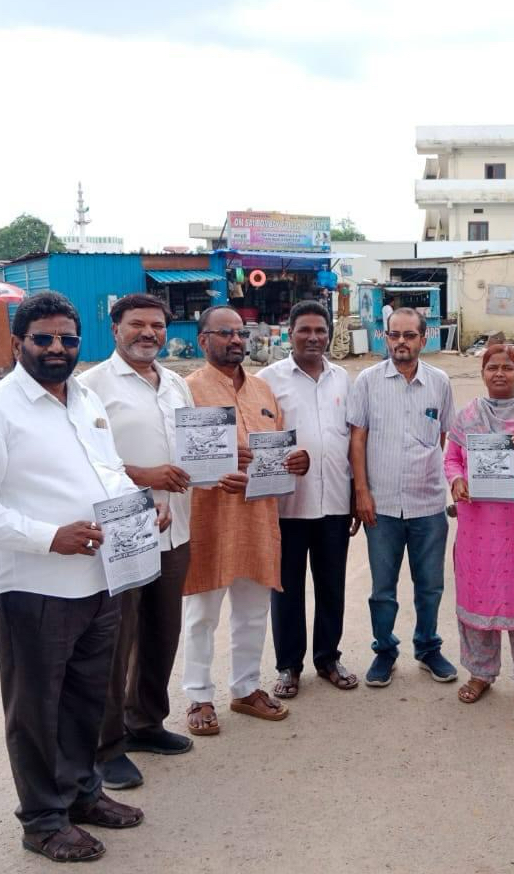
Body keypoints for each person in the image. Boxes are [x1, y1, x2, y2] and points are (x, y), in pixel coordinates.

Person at [0, 291, 164, 863]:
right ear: (18, 342)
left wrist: (140, 504)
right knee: (36, 710)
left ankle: (81, 793)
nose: (57, 348)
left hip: (99, 579)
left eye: (67, 339)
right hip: (35, 588)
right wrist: (49, 536)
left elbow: (107, 470)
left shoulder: (84, 397)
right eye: (43, 338)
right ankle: (43, 820)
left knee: (86, 698)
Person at [79, 294, 195, 792]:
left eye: (157, 325)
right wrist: (144, 477)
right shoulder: (90, 387)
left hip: (176, 527)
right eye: (137, 324)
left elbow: (193, 449)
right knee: (115, 641)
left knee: (162, 632)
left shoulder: (175, 384)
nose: (149, 333)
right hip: (123, 533)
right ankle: (106, 746)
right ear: (115, 329)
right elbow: (84, 458)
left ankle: (146, 721)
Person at [181, 305, 309, 735]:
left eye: (240, 333)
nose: (236, 340)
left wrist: (297, 460)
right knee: (202, 614)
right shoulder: (186, 391)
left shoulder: (263, 390)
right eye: (225, 333)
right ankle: (199, 695)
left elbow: (280, 449)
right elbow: (179, 458)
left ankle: (245, 688)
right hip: (209, 518)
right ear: (203, 340)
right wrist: (218, 467)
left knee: (253, 611)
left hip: (257, 517)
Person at [445, 344, 514, 710]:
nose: (499, 373)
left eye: (507, 367)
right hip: (478, 526)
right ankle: (480, 673)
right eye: (492, 367)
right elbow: (452, 457)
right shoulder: (468, 415)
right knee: (478, 595)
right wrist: (457, 480)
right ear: (482, 373)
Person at [349, 306, 457, 687]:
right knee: (382, 589)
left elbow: (443, 436)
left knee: (430, 585)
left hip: (427, 504)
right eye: (394, 335)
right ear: (385, 337)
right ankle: (385, 651)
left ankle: (427, 648)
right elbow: (357, 439)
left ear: (423, 339)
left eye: (409, 335)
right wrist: (362, 492)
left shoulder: (440, 382)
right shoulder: (368, 381)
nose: (401, 342)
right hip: (381, 505)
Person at [258, 300, 358, 697]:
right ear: (290, 333)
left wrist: (356, 494)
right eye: (305, 330)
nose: (313, 337)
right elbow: (257, 437)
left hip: (334, 501)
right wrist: (285, 458)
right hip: (288, 505)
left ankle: (328, 658)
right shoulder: (268, 380)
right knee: (286, 589)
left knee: (332, 586)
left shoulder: (343, 378)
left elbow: (353, 439)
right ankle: (289, 666)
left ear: (329, 334)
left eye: (320, 331)